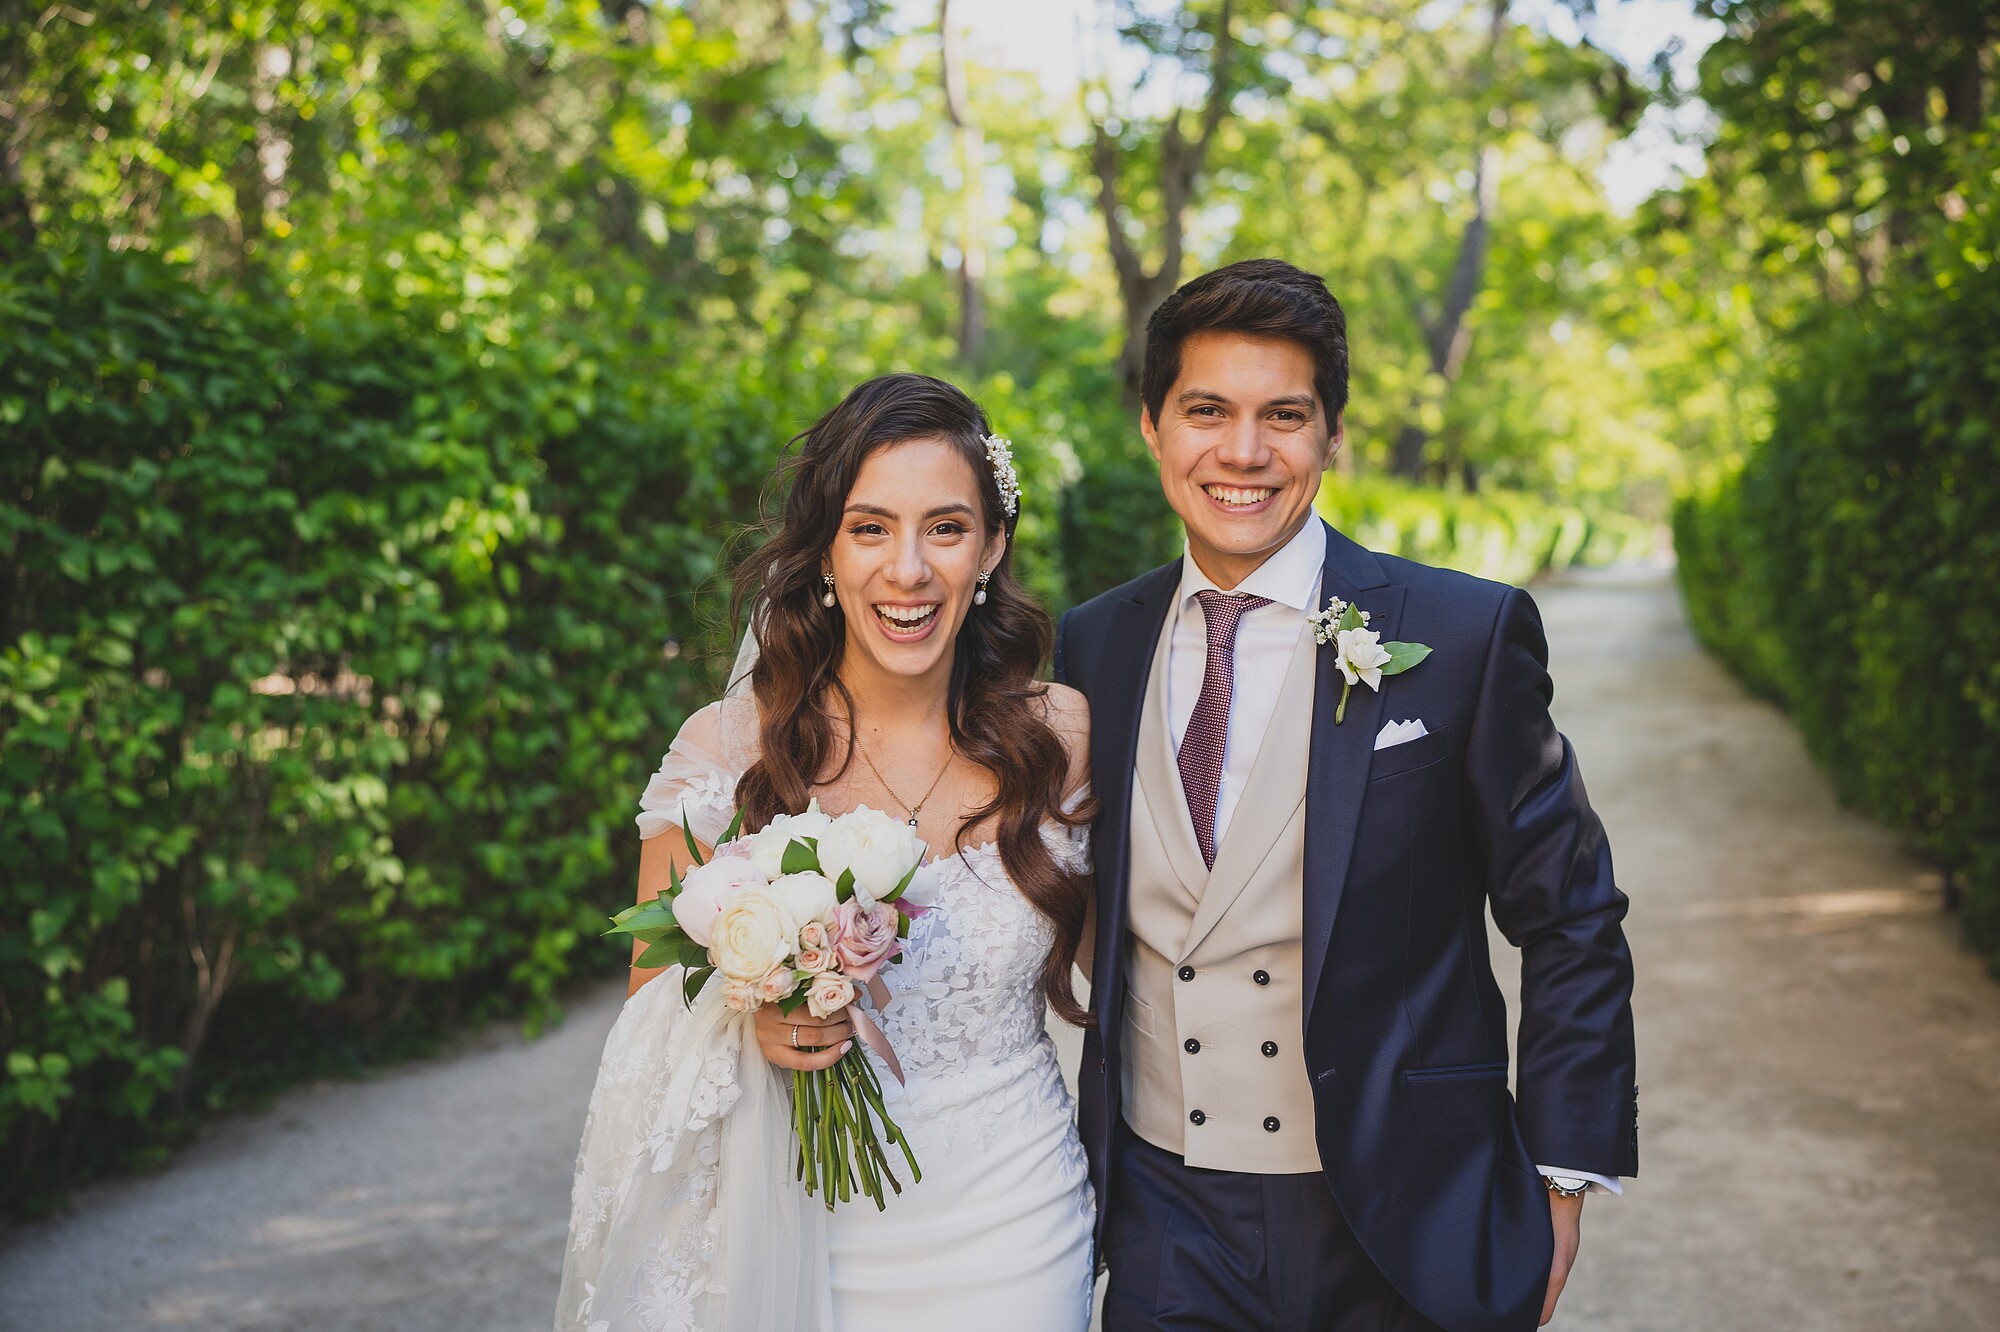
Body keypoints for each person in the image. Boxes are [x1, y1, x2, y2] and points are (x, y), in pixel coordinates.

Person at [1055, 258, 1639, 1332]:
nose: (1243, 452)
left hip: (1406, 1208)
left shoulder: (1462, 633)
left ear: (1331, 436)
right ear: (1151, 426)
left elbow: (1570, 915)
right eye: (1205, 411)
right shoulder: (1092, 643)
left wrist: (1564, 1171)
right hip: (1163, 1217)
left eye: (1284, 415)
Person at [556, 373, 1097, 1332]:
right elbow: (648, 1027)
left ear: (991, 547)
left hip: (1016, 1218)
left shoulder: (1058, 735)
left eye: (945, 528)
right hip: (798, 1226)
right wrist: (753, 1017)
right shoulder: (726, 753)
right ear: (824, 556)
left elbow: (1133, 968)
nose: (908, 570)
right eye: (869, 528)